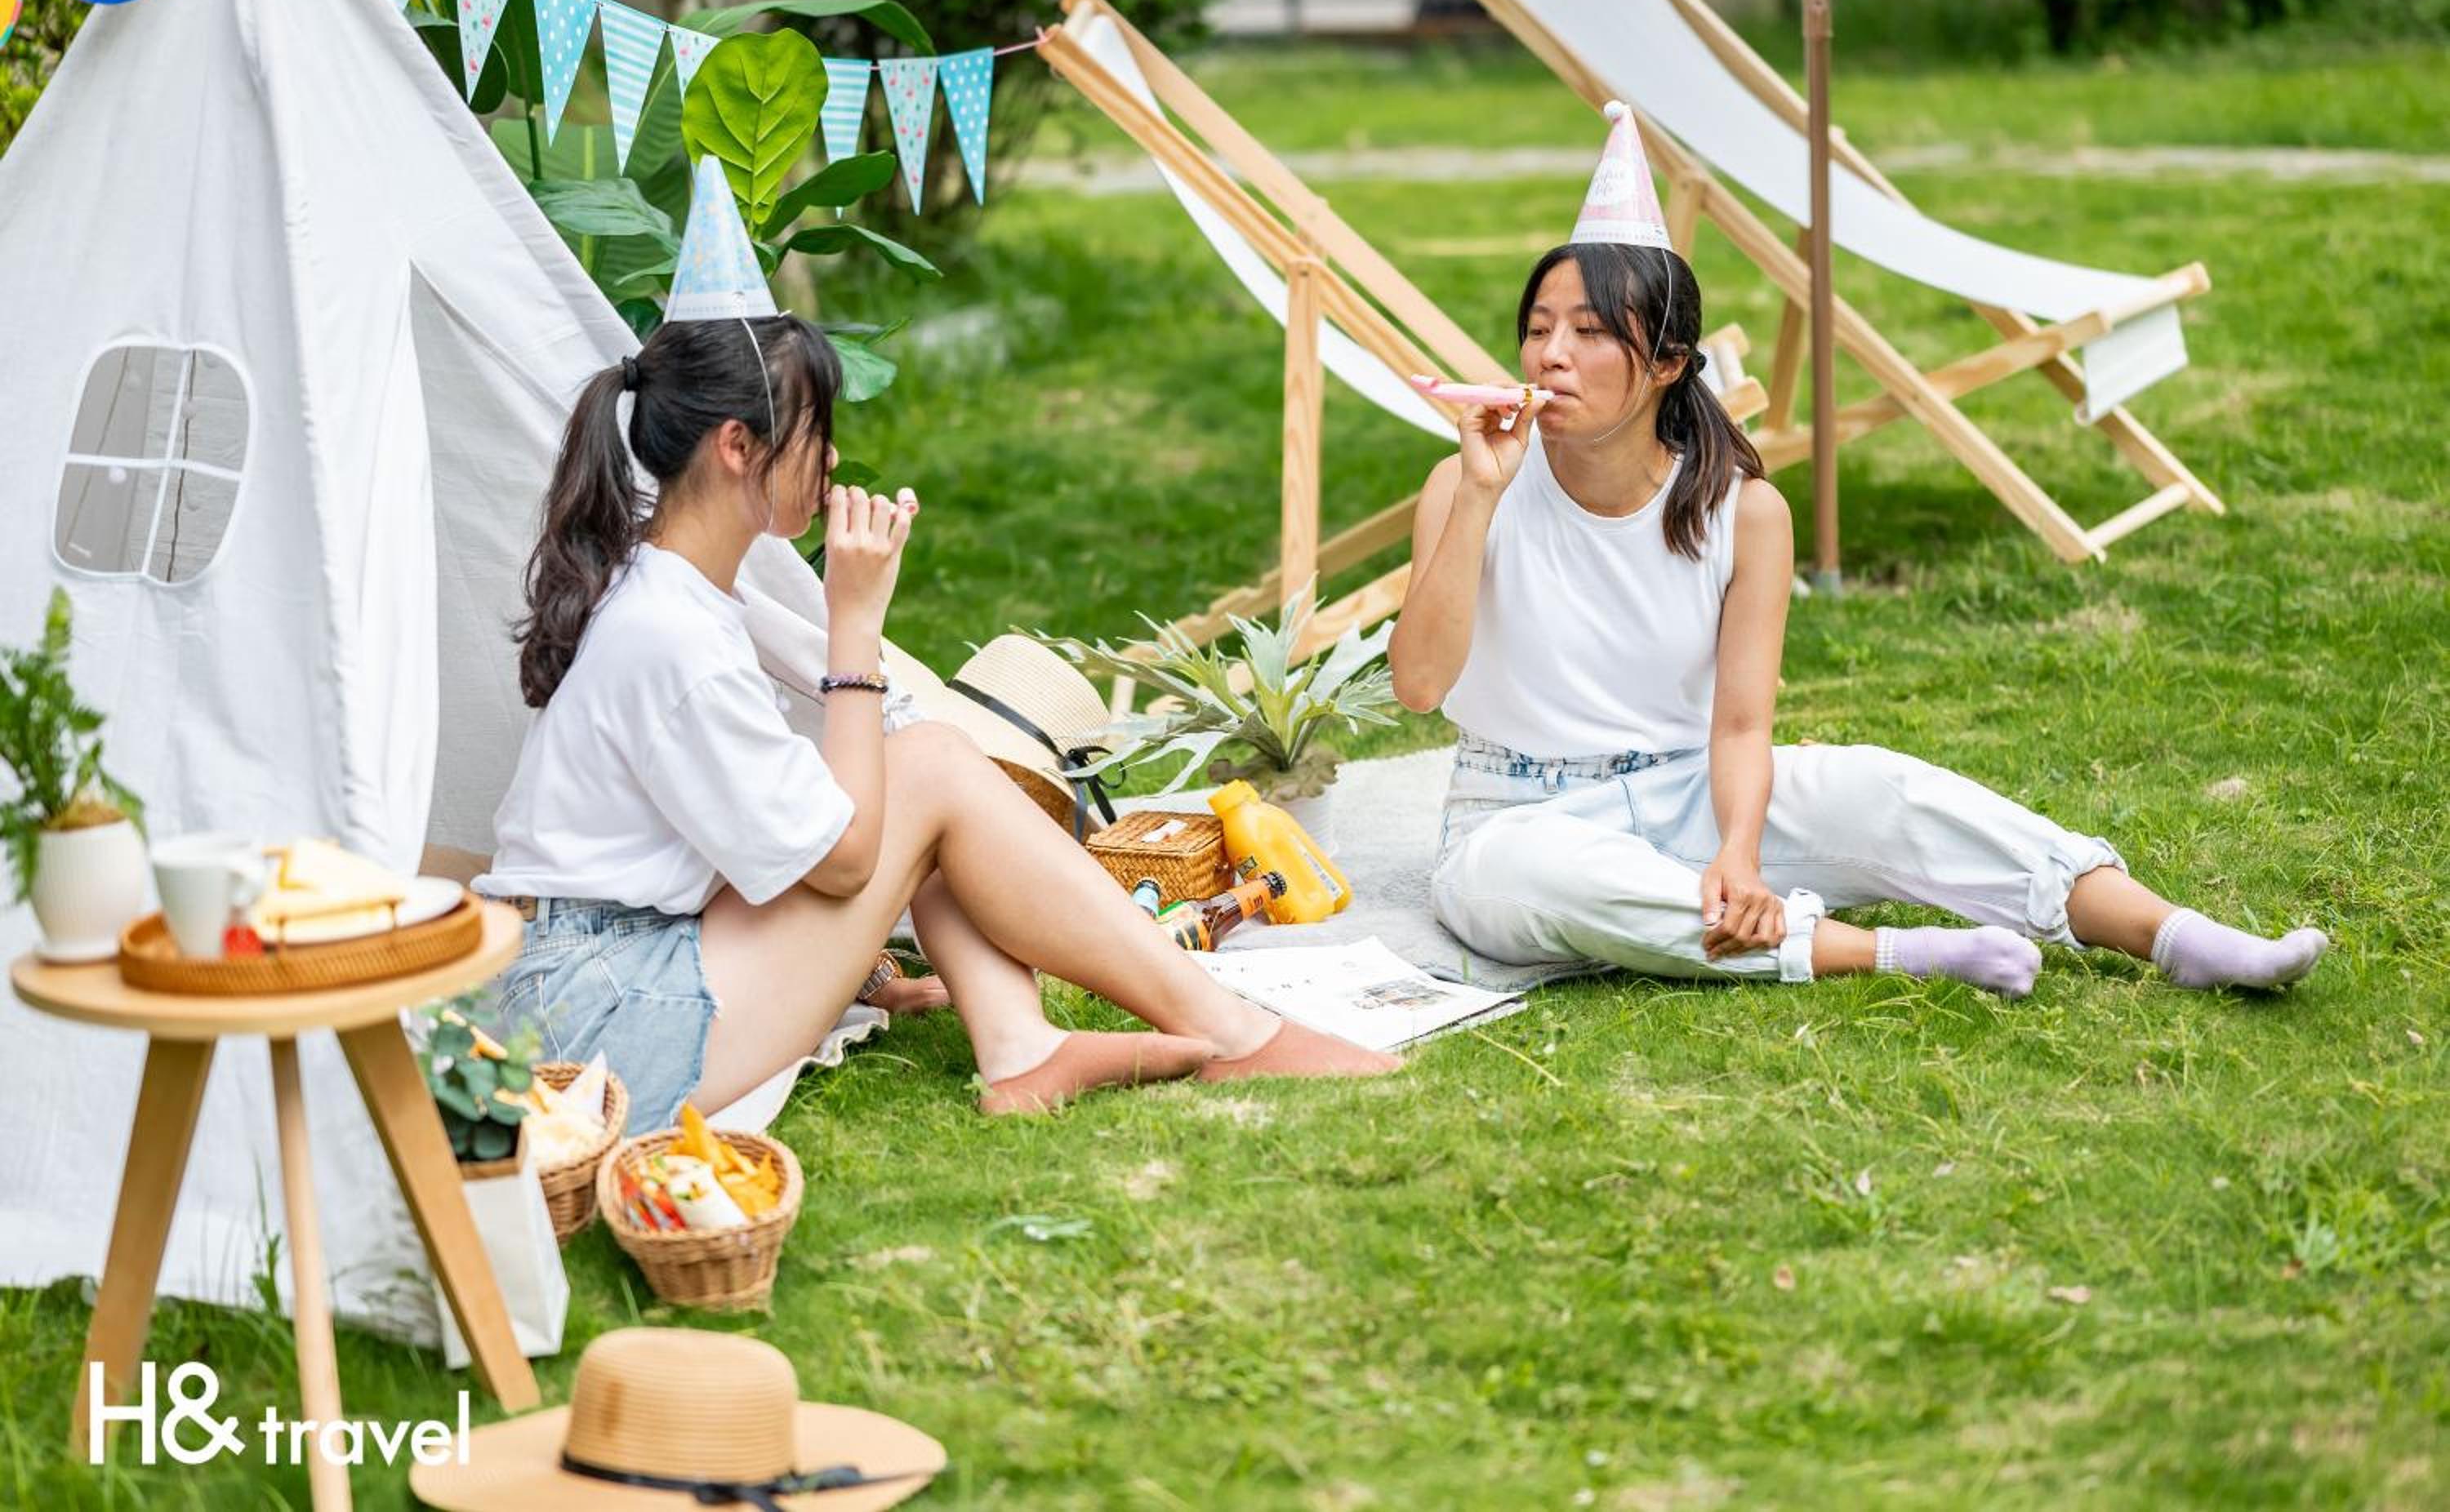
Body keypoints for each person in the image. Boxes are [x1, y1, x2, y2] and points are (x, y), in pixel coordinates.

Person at [475, 162, 1396, 1127]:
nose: (832, 458)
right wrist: (855, 627)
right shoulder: (671, 634)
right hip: (604, 1017)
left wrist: (864, 961)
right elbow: (844, 860)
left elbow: (777, 827)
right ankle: (1227, 1034)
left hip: (595, 977)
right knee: (926, 768)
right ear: (738, 447)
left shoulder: (673, 593)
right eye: (816, 431)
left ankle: (1024, 1047)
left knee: (924, 762)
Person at [1388, 105, 2326, 1000]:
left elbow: (1742, 728)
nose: (1550, 354)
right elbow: (1420, 685)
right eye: (1539, 328)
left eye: (1589, 332)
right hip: (1516, 821)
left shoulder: (1743, 511)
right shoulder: (1465, 486)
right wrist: (1479, 495)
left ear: (1669, 362)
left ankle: (2175, 935)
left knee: (1885, 788)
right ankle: (1890, 954)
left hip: (1690, 791)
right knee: (1541, 878)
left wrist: (1739, 852)